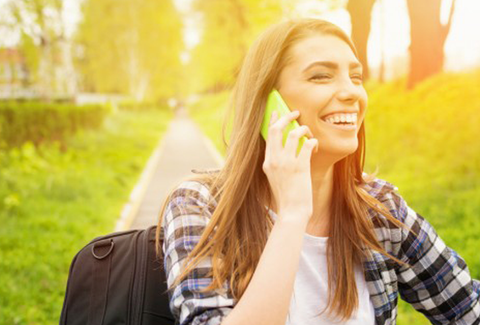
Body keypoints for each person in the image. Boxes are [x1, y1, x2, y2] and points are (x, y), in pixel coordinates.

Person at [156, 18, 480, 325]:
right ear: (269, 103)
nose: (352, 92)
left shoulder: (380, 209)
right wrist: (293, 213)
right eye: (321, 76)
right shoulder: (201, 205)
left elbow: (468, 309)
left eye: (355, 77)